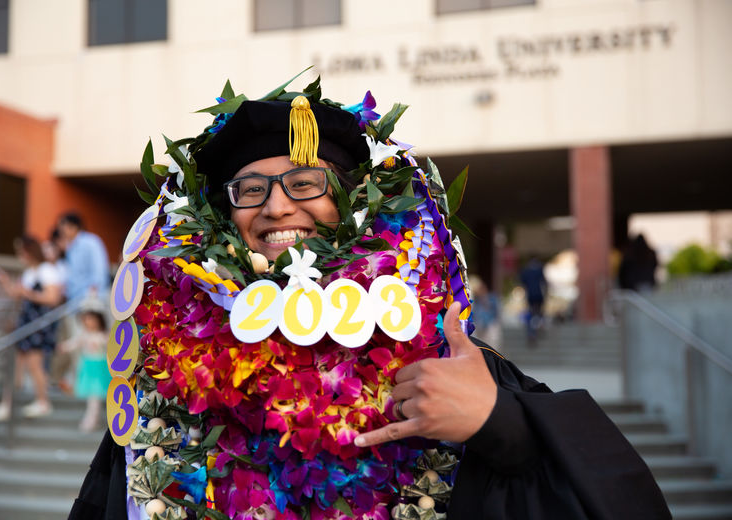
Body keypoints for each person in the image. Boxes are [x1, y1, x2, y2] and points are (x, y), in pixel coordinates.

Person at [70, 75, 669, 519]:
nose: (276, 206)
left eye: (305, 183)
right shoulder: (167, 374)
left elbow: (617, 497)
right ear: (226, 215)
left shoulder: (438, 352)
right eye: (250, 189)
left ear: (353, 202)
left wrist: (498, 421)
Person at [0, 235, 63, 420]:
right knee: (17, 365)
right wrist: (6, 282)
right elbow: (17, 294)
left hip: (39, 325)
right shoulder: (30, 272)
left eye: (22, 251)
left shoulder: (47, 270)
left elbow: (53, 298)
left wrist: (26, 292)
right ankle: (8, 404)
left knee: (34, 364)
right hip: (28, 322)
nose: (20, 255)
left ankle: (43, 402)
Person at [58, 301, 111, 431]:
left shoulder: (104, 335)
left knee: (97, 397)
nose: (88, 322)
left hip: (100, 368)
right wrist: (65, 347)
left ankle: (93, 420)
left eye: (91, 319)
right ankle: (92, 420)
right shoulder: (84, 335)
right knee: (93, 396)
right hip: (89, 368)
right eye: (85, 319)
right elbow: (74, 343)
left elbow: (110, 346)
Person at [57, 212, 110, 303]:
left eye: (63, 228)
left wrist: (93, 295)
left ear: (73, 227)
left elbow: (99, 269)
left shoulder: (91, 242)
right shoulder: (70, 247)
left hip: (90, 300)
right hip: (75, 301)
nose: (61, 232)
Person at [519, 255, 547, 345]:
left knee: (531, 313)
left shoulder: (526, 271)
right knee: (538, 312)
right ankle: (539, 326)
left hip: (530, 295)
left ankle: (532, 333)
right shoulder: (539, 269)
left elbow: (522, 282)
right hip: (539, 294)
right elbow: (544, 282)